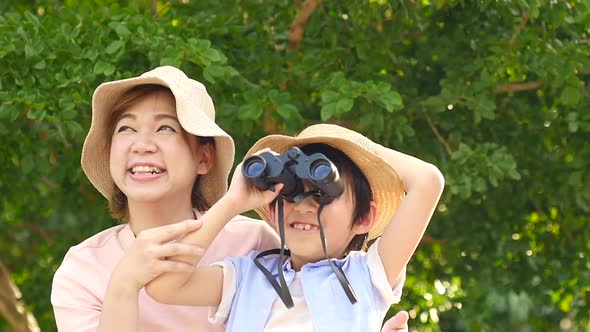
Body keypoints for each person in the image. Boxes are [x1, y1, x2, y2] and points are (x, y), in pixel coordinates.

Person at [50, 66, 412, 331]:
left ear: (204, 157)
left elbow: (313, 310)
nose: (142, 144)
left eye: (165, 128)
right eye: (126, 128)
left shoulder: (254, 243)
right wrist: (124, 284)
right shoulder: (83, 270)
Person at [146, 123, 445, 331]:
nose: (303, 205)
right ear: (273, 209)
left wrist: (361, 149)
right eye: (289, 193)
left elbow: (427, 181)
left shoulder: (368, 275)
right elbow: (164, 284)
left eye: (322, 193)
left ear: (364, 218)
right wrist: (233, 201)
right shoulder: (246, 277)